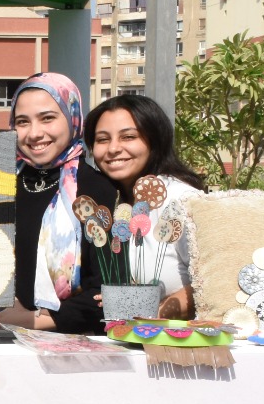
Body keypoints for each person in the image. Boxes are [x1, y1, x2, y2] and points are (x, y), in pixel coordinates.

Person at [0, 72, 118, 334]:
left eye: (47, 118)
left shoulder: (97, 191)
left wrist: (33, 320)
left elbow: (107, 292)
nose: (34, 133)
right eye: (22, 122)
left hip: (71, 344)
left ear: (73, 117)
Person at [87, 93, 208, 318]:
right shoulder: (106, 202)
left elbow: (211, 282)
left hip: (170, 337)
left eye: (128, 137)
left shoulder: (181, 199)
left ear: (155, 139)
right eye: (102, 139)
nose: (113, 148)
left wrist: (149, 314)